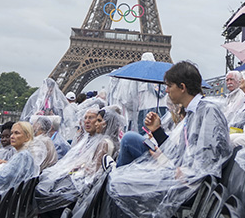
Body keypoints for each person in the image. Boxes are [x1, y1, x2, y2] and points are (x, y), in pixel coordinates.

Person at [107, 61, 232, 218]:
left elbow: (209, 160)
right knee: (117, 180)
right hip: (183, 180)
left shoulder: (207, 111)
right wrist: (157, 130)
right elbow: (179, 154)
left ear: (182, 87)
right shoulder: (195, 112)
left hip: (190, 186)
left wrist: (187, 172)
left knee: (119, 184)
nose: (166, 91)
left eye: (169, 86)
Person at [35, 106, 124, 216]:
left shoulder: (103, 143)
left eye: (97, 120)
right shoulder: (110, 141)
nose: (95, 123)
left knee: (48, 193)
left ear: (107, 123)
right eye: (86, 118)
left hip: (84, 188)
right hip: (88, 187)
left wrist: (77, 170)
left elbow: (94, 172)